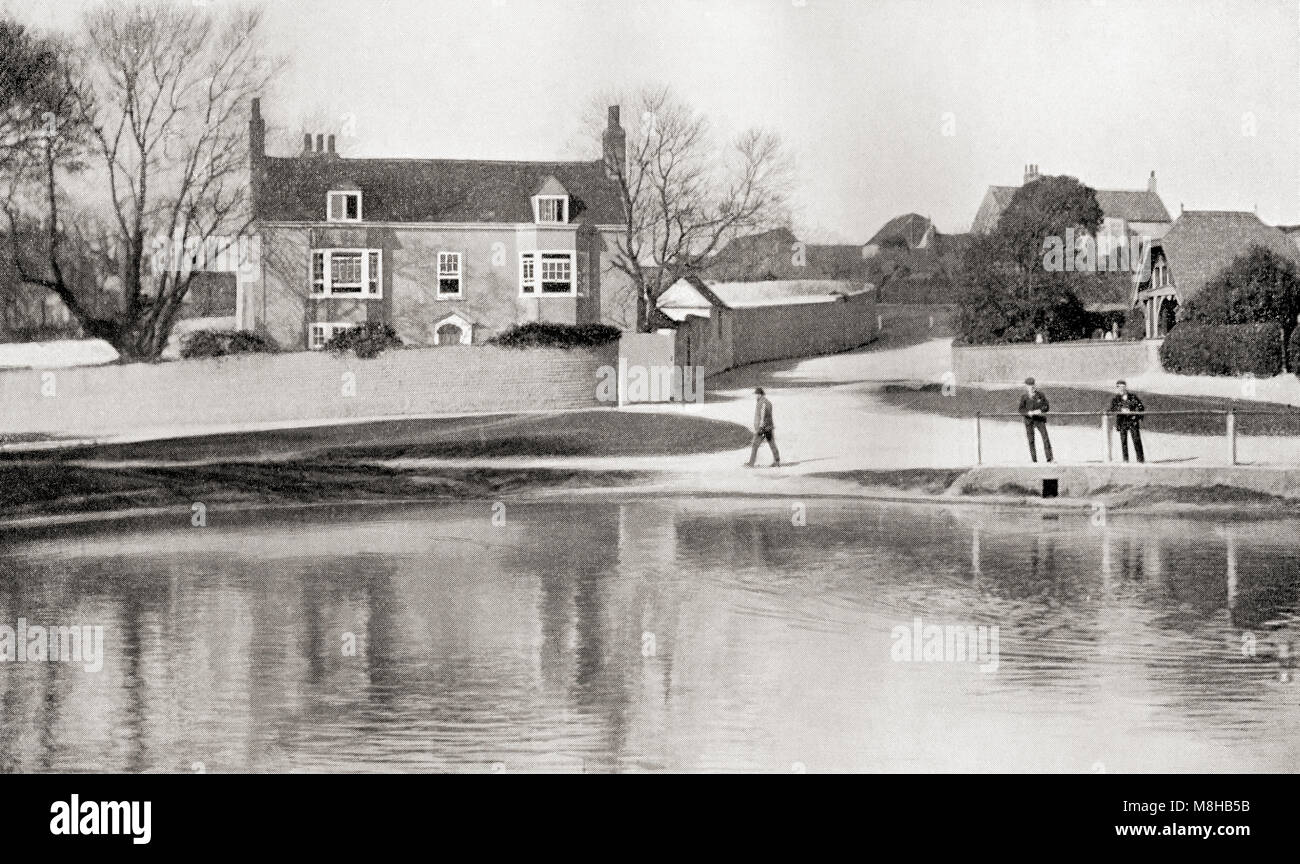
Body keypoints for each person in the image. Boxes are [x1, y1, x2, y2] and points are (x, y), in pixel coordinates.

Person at [1108, 379, 1145, 463]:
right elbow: (1112, 409)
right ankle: (1125, 459)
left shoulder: (1133, 397)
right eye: (1119, 387)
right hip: (1122, 421)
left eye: (1123, 387)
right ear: (1117, 388)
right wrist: (1120, 409)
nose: (1122, 389)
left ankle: (1140, 459)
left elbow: (1140, 407)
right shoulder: (1116, 399)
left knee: (1136, 440)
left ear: (1125, 387)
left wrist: (1135, 415)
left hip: (1132, 421)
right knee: (1123, 441)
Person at [1018, 377, 1053, 463]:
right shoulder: (1024, 397)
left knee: (1045, 438)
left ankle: (1050, 458)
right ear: (1026, 387)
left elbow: (1046, 406)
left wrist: (1040, 410)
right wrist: (1027, 413)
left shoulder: (1040, 395)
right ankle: (1034, 460)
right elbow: (1020, 409)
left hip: (1039, 420)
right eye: (1029, 386)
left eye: (1033, 385)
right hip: (1029, 421)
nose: (1031, 387)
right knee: (1031, 440)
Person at [745, 387, 780, 467]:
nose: (755, 396)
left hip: (763, 428)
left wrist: (760, 427)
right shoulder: (768, 402)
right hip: (769, 427)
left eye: (756, 394)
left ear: (759, 394)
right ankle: (777, 461)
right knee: (772, 444)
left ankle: (751, 463)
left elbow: (763, 415)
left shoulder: (762, 403)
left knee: (755, 445)